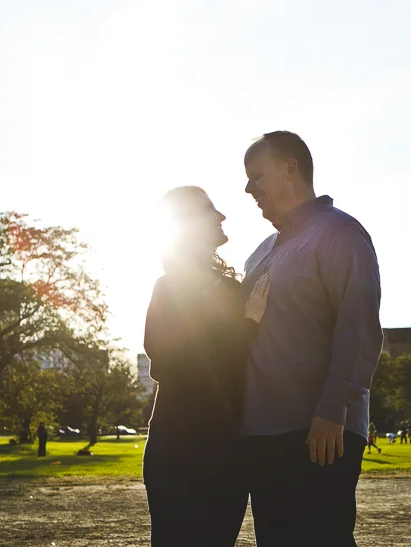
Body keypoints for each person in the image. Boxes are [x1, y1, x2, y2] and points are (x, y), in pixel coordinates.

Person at [240, 132, 384, 546]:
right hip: (261, 433)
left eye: (256, 175)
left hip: (319, 431)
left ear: (290, 167)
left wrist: (332, 408)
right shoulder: (259, 253)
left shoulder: (340, 232)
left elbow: (358, 325)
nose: (248, 188)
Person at [142, 186, 258, 546]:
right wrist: (249, 326)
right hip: (178, 446)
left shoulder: (234, 291)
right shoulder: (168, 288)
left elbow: (233, 365)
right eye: (210, 210)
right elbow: (166, 362)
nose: (221, 216)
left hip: (228, 449)